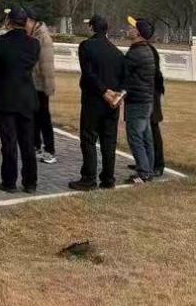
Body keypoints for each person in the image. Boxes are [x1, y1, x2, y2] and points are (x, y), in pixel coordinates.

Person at [0, 7, 41, 193]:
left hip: (3, 97)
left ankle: (9, 181)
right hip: (26, 98)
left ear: (9, 22)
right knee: (27, 142)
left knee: (9, 141)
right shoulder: (34, 44)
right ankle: (30, 182)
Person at [69, 14, 125, 190]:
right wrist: (117, 96)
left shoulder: (86, 46)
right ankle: (108, 178)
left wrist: (103, 91)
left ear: (91, 28)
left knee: (89, 139)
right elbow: (124, 79)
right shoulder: (117, 53)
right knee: (109, 141)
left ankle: (89, 178)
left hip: (93, 100)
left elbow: (89, 74)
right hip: (112, 103)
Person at [123, 16, 158, 184]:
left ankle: (143, 172)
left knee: (135, 137)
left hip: (137, 100)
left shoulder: (136, 53)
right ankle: (148, 169)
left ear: (138, 32)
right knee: (145, 136)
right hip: (146, 100)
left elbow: (123, 71)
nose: (129, 29)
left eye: (132, 28)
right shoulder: (147, 50)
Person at [29, 14, 58, 164]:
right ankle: (36, 145)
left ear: (32, 21)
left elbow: (47, 65)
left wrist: (48, 86)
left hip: (40, 84)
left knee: (44, 117)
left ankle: (49, 150)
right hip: (33, 83)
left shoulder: (43, 38)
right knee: (33, 116)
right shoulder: (33, 35)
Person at [147, 23, 166, 177]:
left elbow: (156, 75)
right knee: (144, 130)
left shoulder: (149, 51)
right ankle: (147, 160)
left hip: (151, 93)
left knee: (153, 128)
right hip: (148, 92)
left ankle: (158, 164)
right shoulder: (145, 49)